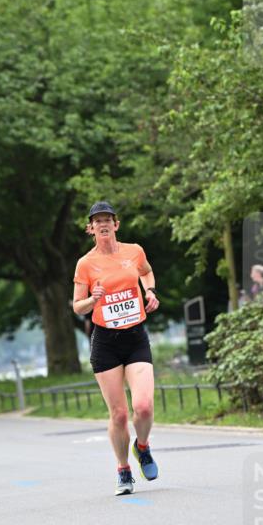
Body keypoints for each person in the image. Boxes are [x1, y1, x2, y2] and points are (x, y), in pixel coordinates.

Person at [73, 201, 160, 496]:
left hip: (135, 337)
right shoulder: (85, 264)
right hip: (106, 343)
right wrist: (92, 300)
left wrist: (149, 290)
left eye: (107, 219)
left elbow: (147, 273)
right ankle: (123, 469)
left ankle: (143, 447)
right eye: (97, 221)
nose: (103, 224)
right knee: (120, 415)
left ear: (116, 224)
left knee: (144, 406)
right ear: (91, 228)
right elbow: (77, 306)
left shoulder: (134, 251)